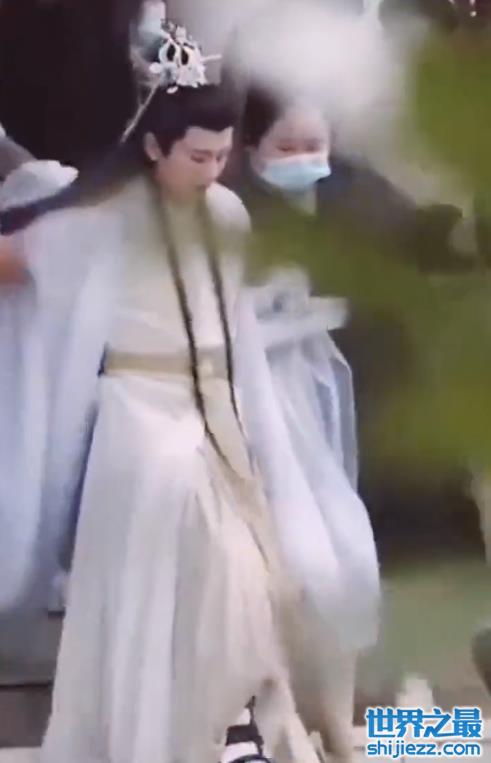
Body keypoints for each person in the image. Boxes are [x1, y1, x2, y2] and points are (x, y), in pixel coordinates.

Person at [0, 25, 351, 763]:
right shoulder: (102, 219)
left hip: (215, 409)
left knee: (252, 573)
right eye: (197, 157)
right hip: (140, 415)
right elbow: (23, 259)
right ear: (156, 147)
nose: (212, 171)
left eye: (222, 157)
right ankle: (200, 733)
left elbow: (236, 329)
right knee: (198, 572)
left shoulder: (227, 213)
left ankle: (232, 728)